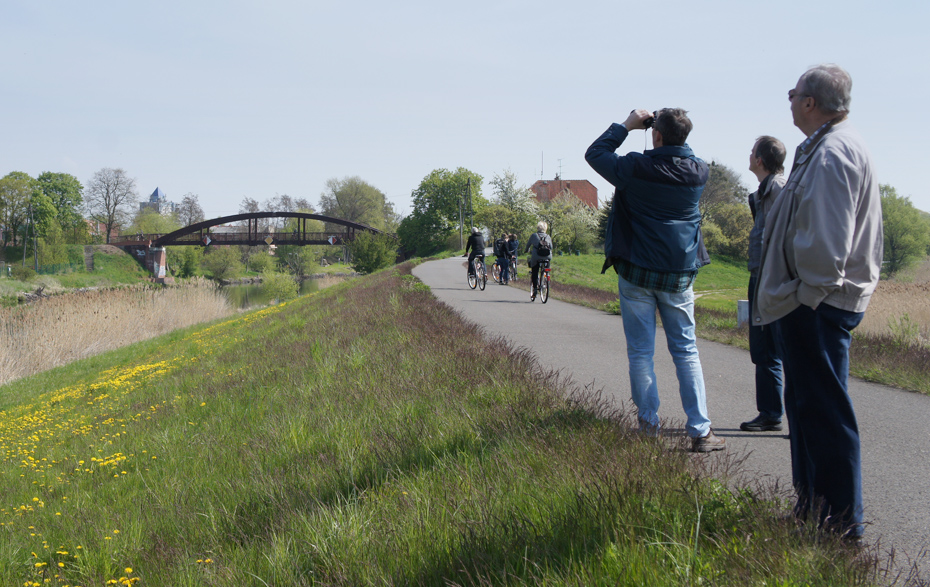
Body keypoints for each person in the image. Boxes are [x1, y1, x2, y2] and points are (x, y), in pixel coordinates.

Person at [754, 64, 883, 539]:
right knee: (808, 407)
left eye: (793, 93)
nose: (789, 100)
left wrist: (804, 296)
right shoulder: (826, 147)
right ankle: (812, 511)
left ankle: (840, 527)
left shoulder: (832, 154)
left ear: (810, 102)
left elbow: (827, 242)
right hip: (813, 301)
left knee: (824, 413)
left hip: (818, 303)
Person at [585, 107, 724, 453]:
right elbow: (683, 151)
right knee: (686, 351)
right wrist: (666, 130)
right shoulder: (699, 172)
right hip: (678, 276)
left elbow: (595, 154)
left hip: (637, 272)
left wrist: (629, 125)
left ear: (656, 136)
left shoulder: (635, 168)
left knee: (641, 354)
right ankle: (700, 431)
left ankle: (648, 427)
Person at [740, 136, 787, 432]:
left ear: (760, 159)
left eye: (752, 151)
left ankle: (795, 418)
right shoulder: (761, 193)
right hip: (760, 277)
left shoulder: (781, 190)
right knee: (764, 348)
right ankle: (770, 413)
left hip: (776, 280)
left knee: (784, 347)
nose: (749, 154)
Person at [524, 222, 553, 300]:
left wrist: (526, 250)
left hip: (536, 256)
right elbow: (551, 247)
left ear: (538, 228)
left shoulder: (534, 235)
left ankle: (535, 291)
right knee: (547, 265)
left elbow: (528, 244)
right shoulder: (548, 236)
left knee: (535, 271)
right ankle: (547, 274)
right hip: (547, 256)